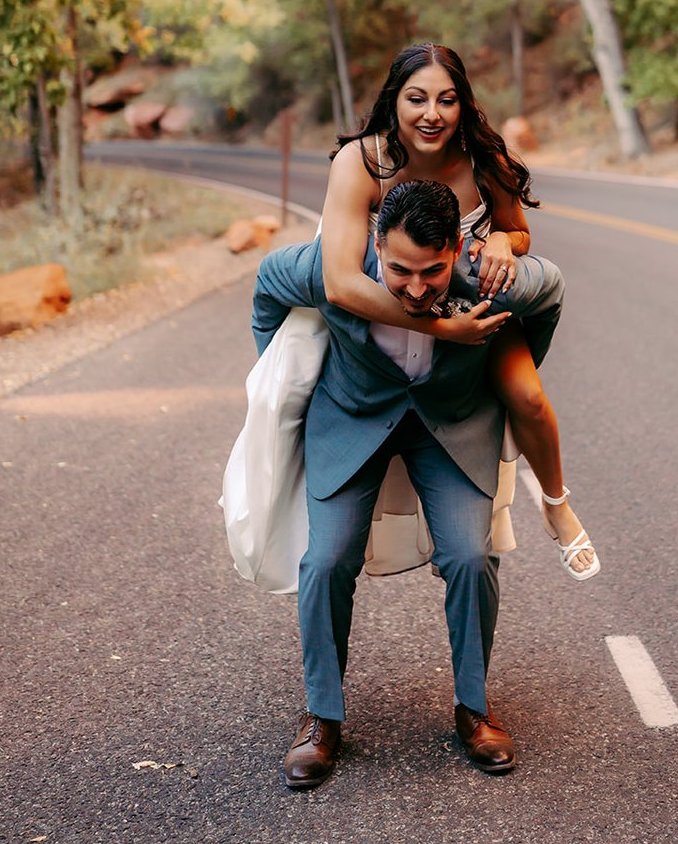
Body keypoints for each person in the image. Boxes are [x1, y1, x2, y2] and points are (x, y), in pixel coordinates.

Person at [252, 178, 565, 787]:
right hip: (353, 417)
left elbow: (550, 292)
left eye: (433, 272)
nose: (416, 289)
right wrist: (274, 375)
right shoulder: (329, 268)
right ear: (374, 242)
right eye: (399, 272)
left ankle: (474, 708)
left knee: (472, 556)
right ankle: (321, 718)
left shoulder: (487, 275)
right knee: (326, 560)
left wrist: (515, 364)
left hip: (451, 423)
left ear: (456, 248)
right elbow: (266, 283)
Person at [321, 43, 598, 581]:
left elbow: (519, 229)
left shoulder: (482, 159)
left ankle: (557, 504)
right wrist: (439, 325)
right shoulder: (365, 161)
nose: (432, 114)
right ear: (393, 100)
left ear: (463, 104)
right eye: (417, 98)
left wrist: (500, 239)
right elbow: (339, 281)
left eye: (446, 100)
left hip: (476, 313)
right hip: (389, 317)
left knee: (528, 398)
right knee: (297, 390)